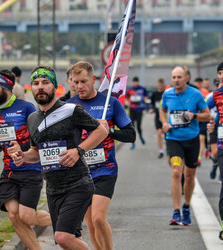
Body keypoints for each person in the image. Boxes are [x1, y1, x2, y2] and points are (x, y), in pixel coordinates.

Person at [11, 65, 108, 250]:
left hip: (78, 183)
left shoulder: (71, 110)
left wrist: (78, 150)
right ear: (31, 87)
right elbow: (36, 152)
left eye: (46, 82)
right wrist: (22, 156)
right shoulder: (32, 119)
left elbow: (101, 131)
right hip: (53, 190)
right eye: (36, 83)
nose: (40, 87)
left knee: (63, 237)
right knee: (70, 241)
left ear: (54, 86)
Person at [67, 61, 136, 250]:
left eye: (83, 81)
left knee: (98, 218)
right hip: (81, 173)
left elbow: (131, 135)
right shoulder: (69, 106)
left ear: (93, 79)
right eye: (75, 82)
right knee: (89, 224)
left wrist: (110, 131)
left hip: (105, 170)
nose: (79, 86)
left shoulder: (110, 102)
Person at [0, 69, 51, 250]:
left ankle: (63, 218)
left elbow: (39, 140)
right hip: (9, 172)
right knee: (14, 215)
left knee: (26, 216)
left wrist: (23, 148)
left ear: (6, 87)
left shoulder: (26, 108)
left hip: (30, 170)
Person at [159, 66, 210, 226]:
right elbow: (162, 110)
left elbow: (208, 115)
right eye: (173, 77)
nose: (176, 80)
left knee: (189, 175)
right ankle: (176, 211)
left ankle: (186, 206)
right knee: (176, 171)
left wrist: (194, 115)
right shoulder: (167, 94)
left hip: (192, 140)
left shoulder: (195, 94)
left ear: (186, 78)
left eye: (179, 77)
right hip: (174, 139)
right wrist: (164, 123)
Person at [207, 60, 223, 240]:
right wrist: (211, 125)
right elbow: (204, 110)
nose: (222, 76)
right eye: (220, 73)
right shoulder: (216, 94)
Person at [126, 76, 148, 149]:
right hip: (132, 111)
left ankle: (141, 136)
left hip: (139, 110)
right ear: (133, 82)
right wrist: (127, 103)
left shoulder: (142, 89)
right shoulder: (130, 90)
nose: (135, 83)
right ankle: (133, 143)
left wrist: (144, 100)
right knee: (132, 127)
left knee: (138, 127)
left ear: (138, 82)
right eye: (134, 82)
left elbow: (146, 97)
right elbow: (126, 98)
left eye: (136, 82)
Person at [206, 78, 220, 179]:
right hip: (215, 126)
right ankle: (216, 164)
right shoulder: (212, 96)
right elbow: (204, 108)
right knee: (215, 153)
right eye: (217, 86)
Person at [149, 78, 165, 158]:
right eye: (159, 84)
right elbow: (152, 104)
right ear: (157, 84)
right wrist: (151, 109)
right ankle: (161, 151)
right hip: (158, 116)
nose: (160, 86)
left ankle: (169, 149)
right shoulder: (154, 94)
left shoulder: (166, 93)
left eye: (161, 84)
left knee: (165, 134)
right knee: (159, 133)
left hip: (166, 116)